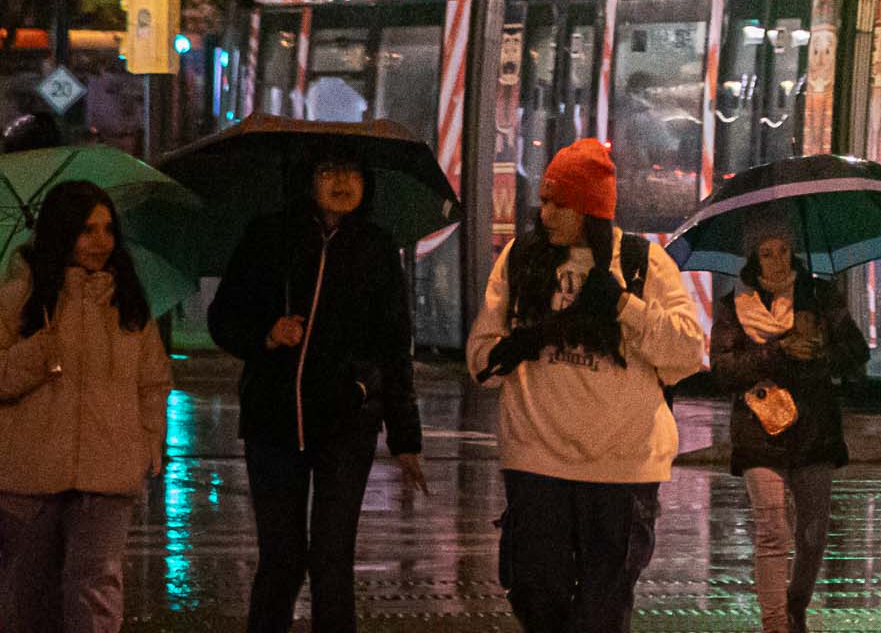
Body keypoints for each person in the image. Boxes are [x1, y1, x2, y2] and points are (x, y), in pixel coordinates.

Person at [467, 137, 708, 633]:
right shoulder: (521, 259)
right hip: (536, 459)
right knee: (536, 595)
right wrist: (511, 350)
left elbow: (688, 353)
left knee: (602, 609)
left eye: (562, 203)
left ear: (592, 210)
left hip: (623, 467)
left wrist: (624, 307)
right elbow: (479, 360)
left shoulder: (643, 263)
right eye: (547, 200)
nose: (547, 212)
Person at [209, 147, 430, 633]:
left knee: (332, 560)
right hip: (274, 422)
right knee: (282, 558)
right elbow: (223, 319)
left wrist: (405, 438)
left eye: (352, 171)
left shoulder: (375, 247)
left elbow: (395, 346)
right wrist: (267, 335)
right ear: (307, 178)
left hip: (345, 423)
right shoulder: (269, 237)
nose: (342, 182)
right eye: (330, 170)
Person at [0, 180, 169, 633]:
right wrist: (37, 351)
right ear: (60, 233)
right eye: (87, 230)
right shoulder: (16, 300)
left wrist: (148, 440)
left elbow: (153, 381)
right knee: (28, 597)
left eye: (108, 228)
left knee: (94, 590)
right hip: (30, 474)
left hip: (107, 472)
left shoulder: (127, 305)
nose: (101, 242)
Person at [708, 220, 867, 633]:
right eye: (766, 252)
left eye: (782, 250)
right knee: (772, 532)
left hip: (814, 432)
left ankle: (795, 605)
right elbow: (723, 372)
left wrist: (822, 349)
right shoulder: (733, 307)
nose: (777, 260)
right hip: (759, 434)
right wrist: (777, 353)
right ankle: (775, 624)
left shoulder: (819, 296)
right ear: (752, 259)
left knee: (813, 535)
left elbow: (856, 352)